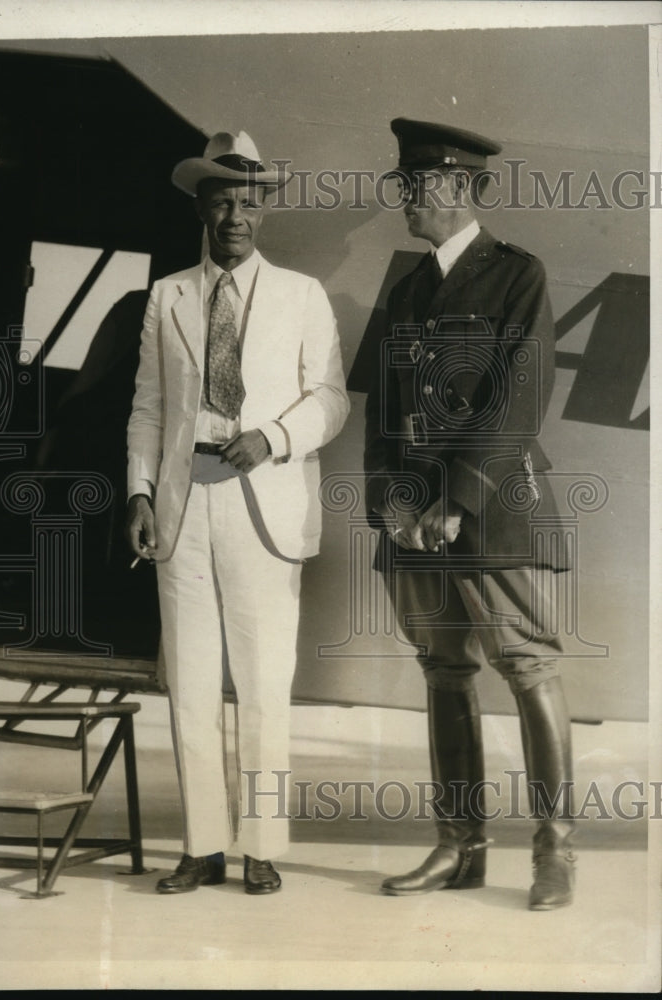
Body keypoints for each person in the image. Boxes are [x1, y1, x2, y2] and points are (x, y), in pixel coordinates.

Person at [126, 130, 349, 895]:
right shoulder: (168, 296)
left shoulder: (301, 295)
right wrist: (140, 492)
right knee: (189, 682)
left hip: (264, 506)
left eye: (248, 202)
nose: (235, 215)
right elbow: (149, 408)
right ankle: (201, 845)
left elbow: (328, 399)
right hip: (184, 510)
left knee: (261, 681)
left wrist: (275, 436)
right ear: (201, 205)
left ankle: (260, 845)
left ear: (264, 211)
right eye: (221, 201)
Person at [362, 119, 576, 910]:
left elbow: (519, 398)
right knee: (443, 671)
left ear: (454, 189)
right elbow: (384, 408)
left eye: (413, 186)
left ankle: (554, 854)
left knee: (527, 668)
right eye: (404, 184)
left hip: (491, 506)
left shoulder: (515, 274)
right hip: (416, 515)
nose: (404, 199)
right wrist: (390, 494)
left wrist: (454, 501)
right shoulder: (410, 288)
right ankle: (459, 848)